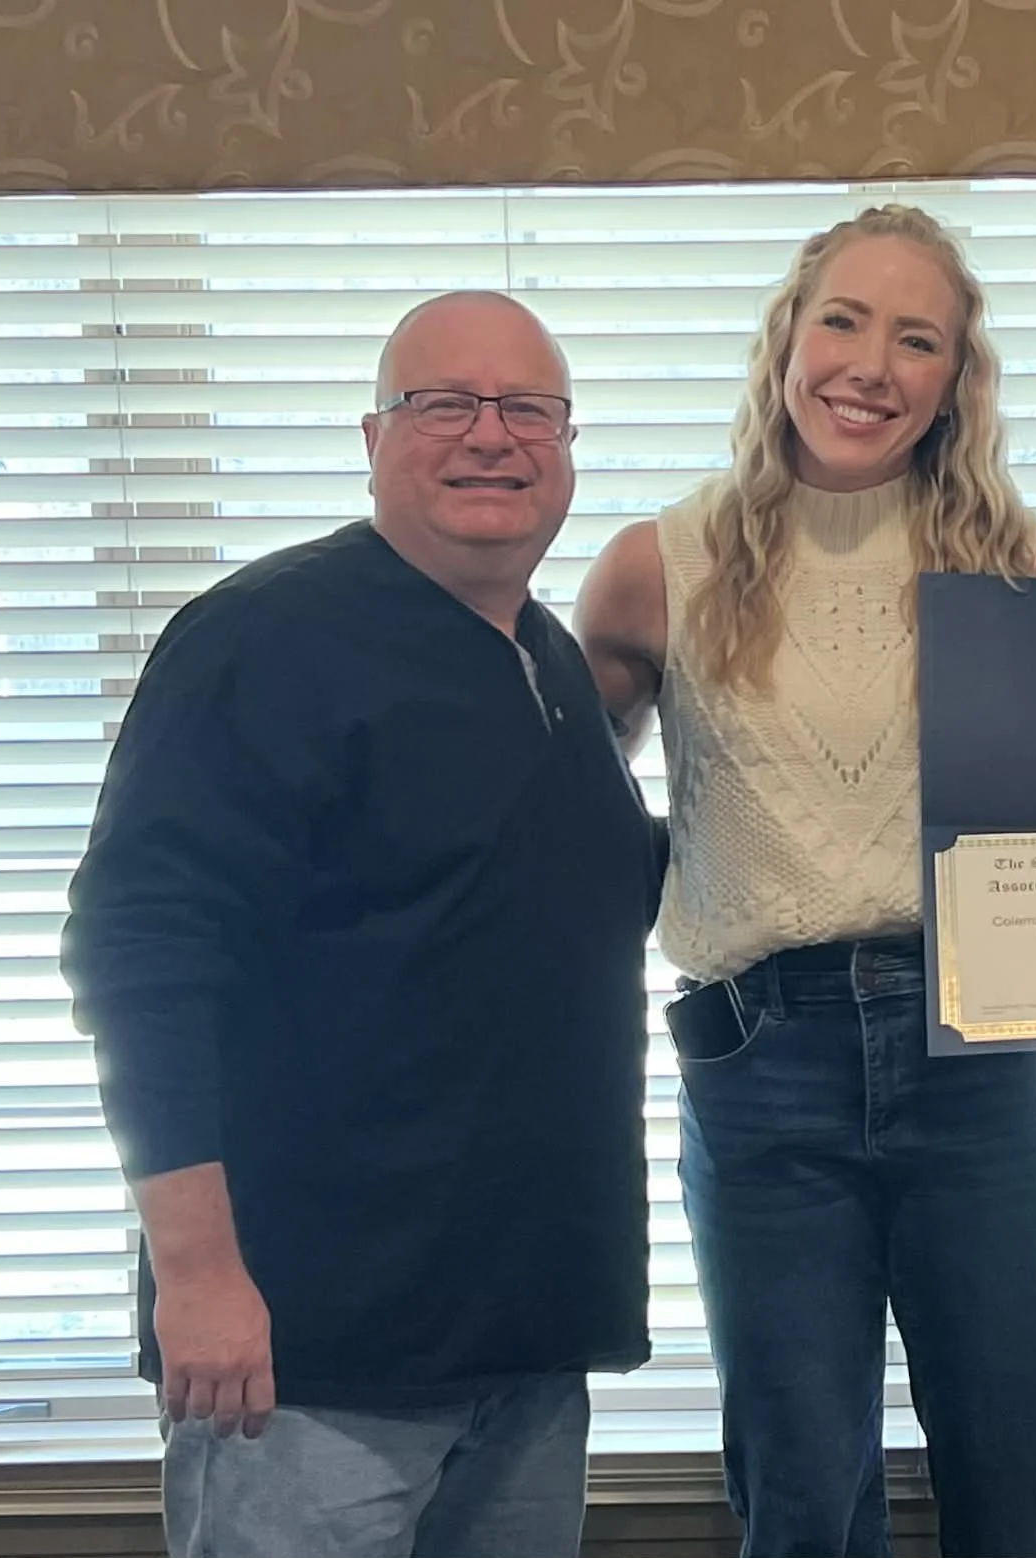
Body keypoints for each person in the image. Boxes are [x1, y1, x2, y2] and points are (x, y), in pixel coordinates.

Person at [61, 290, 663, 1558]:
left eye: (528, 411)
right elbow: (139, 952)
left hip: (525, 1348)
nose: (490, 436)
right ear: (373, 437)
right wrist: (199, 1275)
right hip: (308, 1360)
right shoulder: (264, 638)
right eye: (443, 404)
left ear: (567, 446)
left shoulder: (549, 661)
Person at [573, 203, 1036, 1558]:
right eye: (845, 320)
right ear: (788, 338)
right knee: (804, 1495)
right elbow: (560, 828)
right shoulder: (657, 569)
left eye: (915, 337)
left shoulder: (1027, 571)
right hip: (762, 1069)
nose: (871, 364)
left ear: (954, 380)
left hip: (980, 1057)